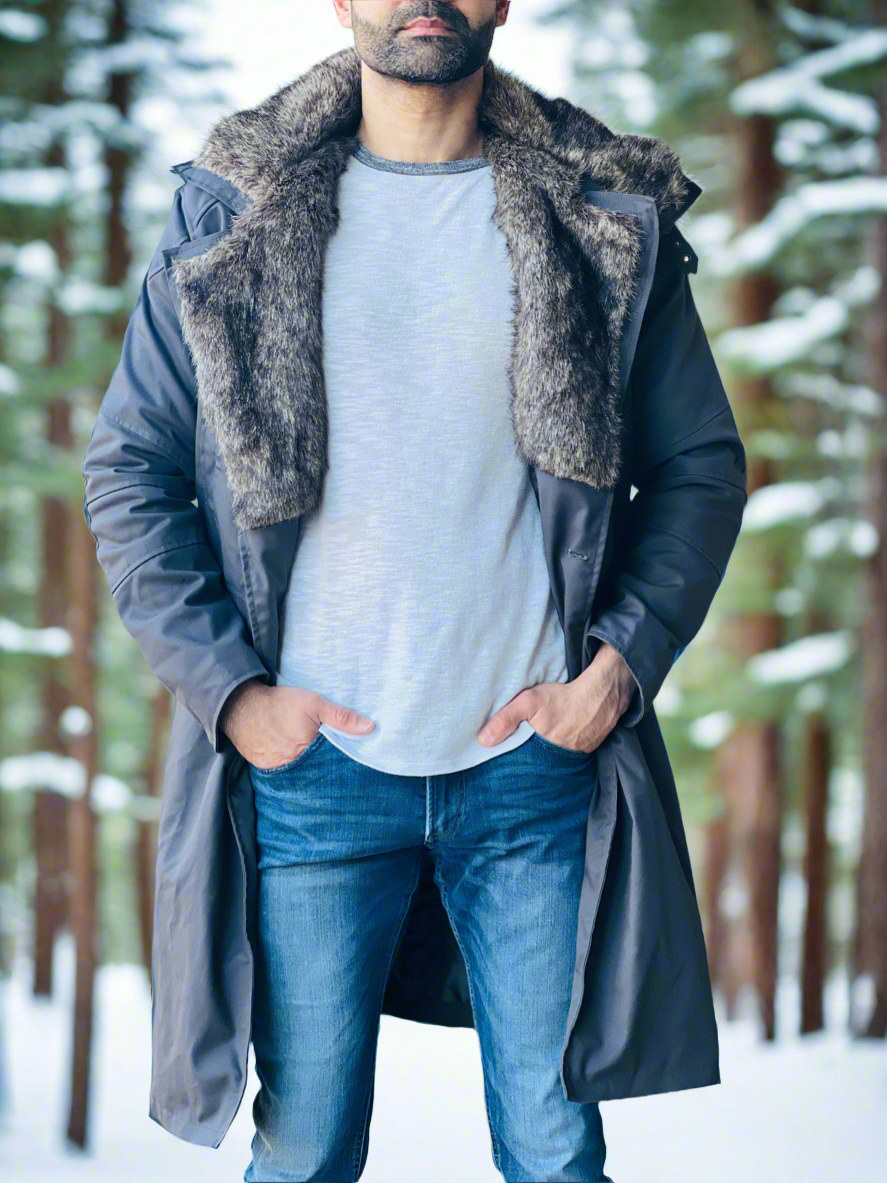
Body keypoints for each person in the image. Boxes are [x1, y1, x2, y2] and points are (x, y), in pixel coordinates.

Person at [82, 2, 747, 1180]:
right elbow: (130, 473)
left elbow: (696, 465)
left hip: (534, 772)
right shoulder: (233, 209)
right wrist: (234, 696)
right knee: (302, 1156)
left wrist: (615, 672)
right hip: (311, 776)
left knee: (554, 1152)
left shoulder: (598, 215)